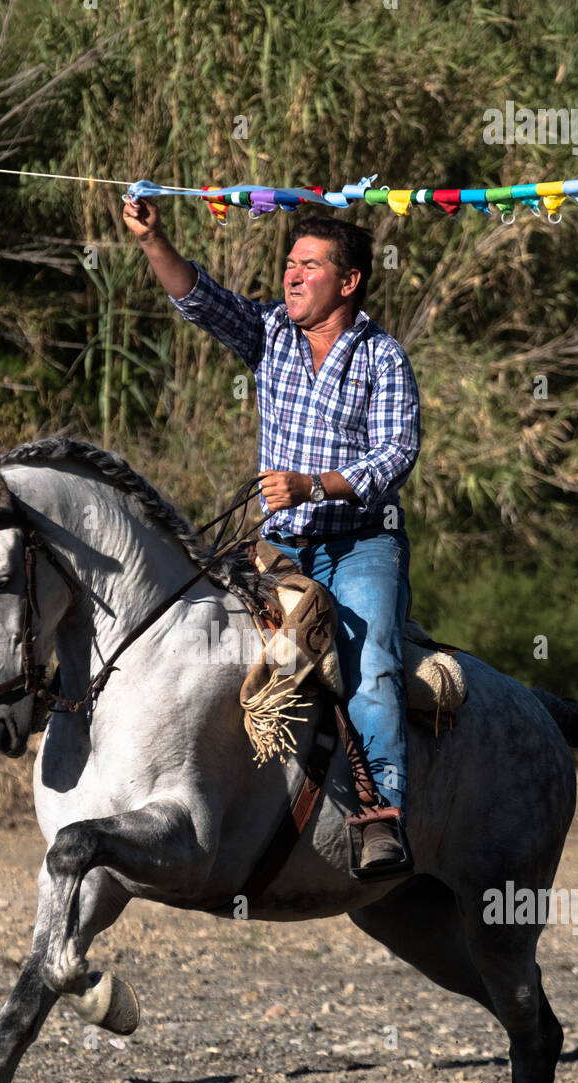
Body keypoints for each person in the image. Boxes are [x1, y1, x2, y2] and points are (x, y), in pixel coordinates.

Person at [123, 195, 420, 876]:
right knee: (203, 638)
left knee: (368, 657)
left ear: (347, 282)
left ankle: (383, 815)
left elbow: (394, 454)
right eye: (288, 264)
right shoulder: (269, 333)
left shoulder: (381, 358)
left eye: (307, 266)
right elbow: (197, 297)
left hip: (358, 546)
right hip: (277, 547)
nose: (289, 276)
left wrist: (315, 485)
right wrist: (151, 240)